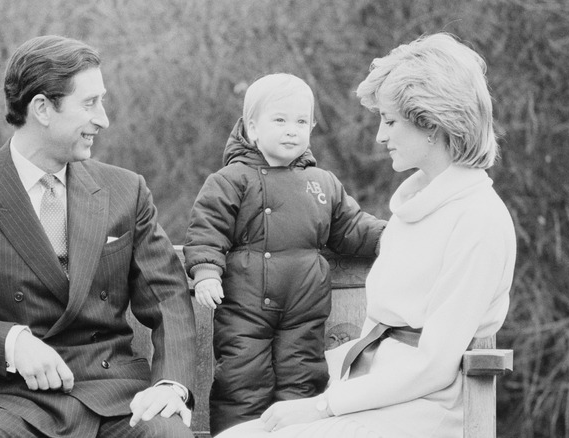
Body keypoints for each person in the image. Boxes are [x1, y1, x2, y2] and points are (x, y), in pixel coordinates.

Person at [216, 33, 517, 438]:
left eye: (390, 121)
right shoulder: (413, 209)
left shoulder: (479, 220)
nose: (380, 136)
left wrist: (322, 407)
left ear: (431, 124)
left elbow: (433, 365)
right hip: (365, 397)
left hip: (424, 413)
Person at [0, 35, 197, 438]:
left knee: (168, 435)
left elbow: (168, 300)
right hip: (17, 400)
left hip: (119, 398)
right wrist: (11, 342)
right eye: (89, 103)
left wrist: (170, 385)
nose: (104, 119)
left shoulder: (126, 191)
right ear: (41, 108)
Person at [183, 73, 386, 435]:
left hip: (303, 311)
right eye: (280, 120)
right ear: (252, 128)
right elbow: (206, 230)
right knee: (242, 382)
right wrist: (207, 272)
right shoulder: (231, 180)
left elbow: (352, 228)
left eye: (301, 121)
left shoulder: (322, 184)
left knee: (302, 379)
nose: (292, 130)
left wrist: (395, 237)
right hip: (245, 311)